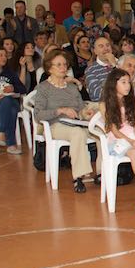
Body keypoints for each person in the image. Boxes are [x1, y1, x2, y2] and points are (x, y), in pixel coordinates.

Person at [33, 49, 99, 192]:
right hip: (55, 125)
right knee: (77, 133)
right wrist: (60, 110)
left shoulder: (72, 88)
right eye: (58, 65)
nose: (63, 68)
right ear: (49, 68)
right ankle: (78, 177)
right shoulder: (43, 88)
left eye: (64, 64)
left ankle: (101, 173)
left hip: (75, 124)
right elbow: (38, 114)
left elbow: (80, 109)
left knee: (101, 132)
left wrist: (86, 113)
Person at [99, 67, 135, 214]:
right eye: (123, 82)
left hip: (133, 137)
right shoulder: (105, 104)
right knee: (134, 153)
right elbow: (114, 130)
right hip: (116, 141)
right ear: (114, 84)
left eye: (128, 82)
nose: (127, 86)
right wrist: (131, 142)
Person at [84, 36, 118, 100]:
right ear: (95, 51)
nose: (106, 48)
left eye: (107, 45)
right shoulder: (91, 70)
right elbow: (95, 93)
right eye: (101, 46)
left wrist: (115, 64)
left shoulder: (122, 63)